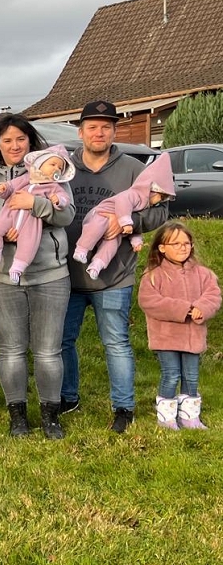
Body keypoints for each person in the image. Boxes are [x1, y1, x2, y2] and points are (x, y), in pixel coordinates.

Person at [59, 100, 168, 433]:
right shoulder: (63, 168)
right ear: (80, 132)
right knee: (63, 342)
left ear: (114, 131)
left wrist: (127, 222)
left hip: (115, 274)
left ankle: (124, 407)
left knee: (116, 343)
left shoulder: (134, 169)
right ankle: (67, 397)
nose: (99, 133)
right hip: (66, 273)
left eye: (106, 127)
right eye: (92, 127)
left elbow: (160, 211)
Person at [0, 115, 74, 439]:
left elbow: (67, 214)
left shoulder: (51, 168)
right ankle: (17, 415)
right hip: (4, 277)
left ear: (30, 141)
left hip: (50, 274)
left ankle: (50, 415)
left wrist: (36, 204)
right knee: (11, 350)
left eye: (20, 139)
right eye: (7, 140)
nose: (14, 145)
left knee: (48, 351)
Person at [138, 222, 221, 430]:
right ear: (162, 247)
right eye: (176, 243)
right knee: (171, 373)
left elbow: (213, 295)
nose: (183, 247)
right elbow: (149, 301)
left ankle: (190, 416)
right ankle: (166, 417)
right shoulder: (153, 275)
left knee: (191, 375)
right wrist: (185, 309)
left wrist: (202, 307)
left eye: (186, 243)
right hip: (166, 337)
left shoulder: (204, 274)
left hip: (193, 336)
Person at [72, 152, 174, 280]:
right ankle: (81, 249)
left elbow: (137, 223)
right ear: (152, 190)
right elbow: (122, 202)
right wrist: (125, 221)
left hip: (117, 278)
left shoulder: (143, 195)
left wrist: (136, 240)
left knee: (112, 244)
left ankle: (97, 265)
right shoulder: (135, 194)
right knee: (96, 227)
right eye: (162, 196)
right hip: (101, 214)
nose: (161, 200)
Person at [0, 145, 75, 284]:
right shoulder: (27, 178)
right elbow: (10, 186)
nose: (56, 169)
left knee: (28, 243)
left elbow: (64, 199)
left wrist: (57, 201)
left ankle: (18, 267)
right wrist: (2, 188)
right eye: (52, 164)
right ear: (40, 164)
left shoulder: (54, 186)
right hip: (10, 214)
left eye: (60, 168)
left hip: (31, 221)